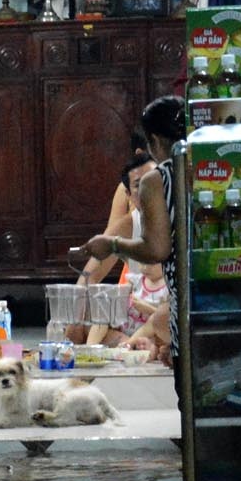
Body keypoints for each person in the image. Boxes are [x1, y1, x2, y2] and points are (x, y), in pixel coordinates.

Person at [74, 96, 185, 360]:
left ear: (154, 141)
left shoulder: (157, 180)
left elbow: (157, 248)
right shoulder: (206, 164)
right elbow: (87, 280)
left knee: (163, 322)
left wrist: (113, 245)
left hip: (182, 297)